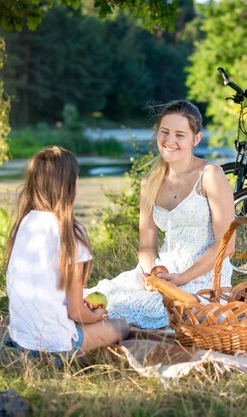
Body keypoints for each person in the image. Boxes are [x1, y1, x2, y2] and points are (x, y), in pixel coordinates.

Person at [86, 99, 235, 329]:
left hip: (204, 273)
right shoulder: (150, 182)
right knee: (105, 297)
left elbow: (227, 244)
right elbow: (146, 246)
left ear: (196, 139)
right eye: (164, 132)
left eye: (180, 135)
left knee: (160, 310)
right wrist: (149, 275)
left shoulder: (210, 175)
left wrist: (183, 278)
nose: (170, 141)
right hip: (162, 272)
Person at [5, 146, 130, 354]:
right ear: (71, 186)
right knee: (121, 326)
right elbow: (76, 313)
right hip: (56, 347)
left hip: (21, 341)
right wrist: (97, 317)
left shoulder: (24, 223)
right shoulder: (70, 231)